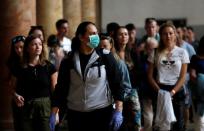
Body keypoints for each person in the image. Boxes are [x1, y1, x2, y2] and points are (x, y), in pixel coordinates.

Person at [50, 21, 127, 131]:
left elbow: (117, 84)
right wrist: (54, 112)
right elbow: (61, 88)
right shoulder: (69, 60)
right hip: (76, 114)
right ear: (81, 37)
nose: (95, 37)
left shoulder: (105, 56)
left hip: (101, 112)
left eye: (96, 33)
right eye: (91, 34)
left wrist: (118, 110)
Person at [147, 22, 189, 131]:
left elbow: (183, 77)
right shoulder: (155, 52)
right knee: (161, 125)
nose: (168, 36)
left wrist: (173, 92)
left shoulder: (182, 52)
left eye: (171, 33)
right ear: (161, 35)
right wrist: (160, 91)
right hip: (160, 90)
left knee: (178, 125)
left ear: (175, 34)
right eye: (165, 34)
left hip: (177, 91)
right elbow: (150, 76)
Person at [16, 35, 57, 131]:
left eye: (40, 44)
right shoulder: (20, 67)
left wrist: (55, 112)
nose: (38, 47)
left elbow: (55, 91)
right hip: (26, 108)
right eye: (34, 44)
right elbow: (12, 87)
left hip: (45, 108)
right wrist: (15, 95)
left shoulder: (49, 66)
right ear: (27, 48)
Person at [100, 35, 141, 131]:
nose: (102, 49)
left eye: (104, 46)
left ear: (110, 46)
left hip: (119, 103)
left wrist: (117, 103)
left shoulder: (118, 63)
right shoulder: (96, 61)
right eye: (99, 47)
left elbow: (126, 86)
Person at [7, 35, 26, 131]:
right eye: (16, 47)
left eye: (21, 47)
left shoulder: (35, 61)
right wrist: (15, 95)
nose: (18, 50)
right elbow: (10, 85)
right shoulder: (13, 63)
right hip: (19, 101)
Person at [189, 35, 204, 131]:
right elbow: (192, 74)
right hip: (199, 93)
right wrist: (201, 81)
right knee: (200, 120)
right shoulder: (195, 58)